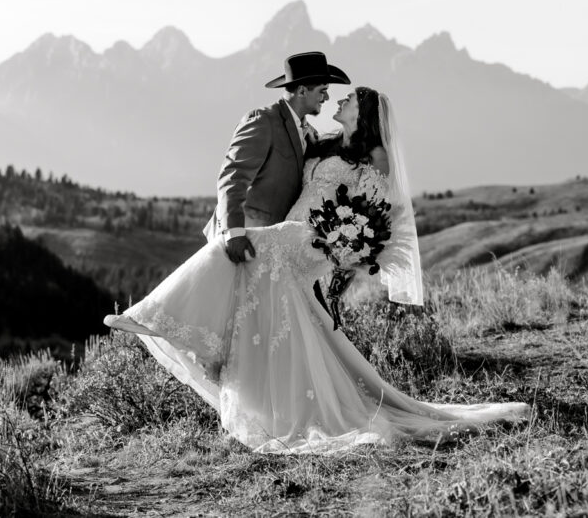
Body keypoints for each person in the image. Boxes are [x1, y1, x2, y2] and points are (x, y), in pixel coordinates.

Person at [105, 83, 530, 454]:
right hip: (294, 232)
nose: (335, 98)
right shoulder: (322, 142)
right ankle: (256, 392)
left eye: (347, 97)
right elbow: (247, 175)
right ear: (304, 90)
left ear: (364, 115)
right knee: (270, 311)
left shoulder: (374, 157)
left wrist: (345, 248)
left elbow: (376, 215)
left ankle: (154, 313)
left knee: (249, 247)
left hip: (312, 241)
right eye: (327, 91)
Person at [202, 51, 351, 266]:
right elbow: (233, 177)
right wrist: (233, 233)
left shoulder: (311, 133)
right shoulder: (263, 121)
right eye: (322, 91)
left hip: (273, 245)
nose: (326, 98)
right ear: (301, 90)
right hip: (243, 238)